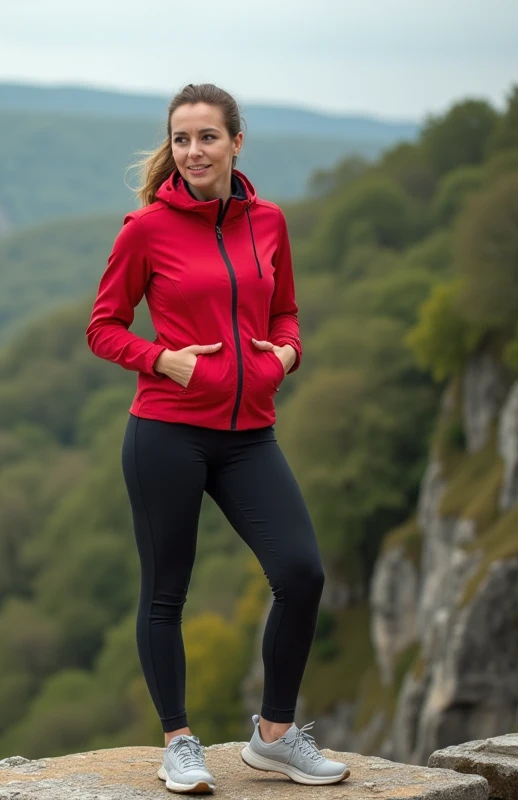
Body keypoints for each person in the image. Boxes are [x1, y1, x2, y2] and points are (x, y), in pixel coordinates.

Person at [85, 83, 351, 794]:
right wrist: (159, 358)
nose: (193, 151)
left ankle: (274, 737)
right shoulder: (145, 229)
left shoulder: (269, 223)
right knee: (165, 592)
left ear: (237, 142)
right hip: (166, 432)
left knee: (301, 573)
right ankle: (179, 743)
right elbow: (103, 327)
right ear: (169, 148)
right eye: (180, 139)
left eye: (207, 136)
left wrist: (286, 357)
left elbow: (288, 312)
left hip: (249, 436)